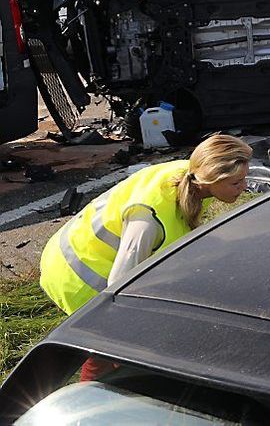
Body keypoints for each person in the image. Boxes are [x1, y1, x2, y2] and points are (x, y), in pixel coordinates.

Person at [39, 134, 252, 378]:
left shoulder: (189, 174)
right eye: (236, 183)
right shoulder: (148, 220)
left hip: (91, 255)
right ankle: (86, 396)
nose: (244, 188)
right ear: (211, 178)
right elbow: (118, 286)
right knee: (111, 350)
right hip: (78, 275)